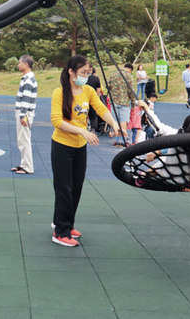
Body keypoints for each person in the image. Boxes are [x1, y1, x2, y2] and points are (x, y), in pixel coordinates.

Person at [49, 55, 121, 247]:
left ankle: (67, 223)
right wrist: (82, 130)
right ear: (71, 72)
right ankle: (60, 232)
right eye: (83, 73)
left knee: (76, 188)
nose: (86, 77)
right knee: (64, 188)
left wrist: (113, 122)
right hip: (62, 146)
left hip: (80, 147)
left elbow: (100, 108)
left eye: (88, 73)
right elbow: (57, 121)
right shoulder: (60, 93)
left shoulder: (88, 90)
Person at [12, 54, 38, 175]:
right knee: (22, 140)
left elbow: (26, 100)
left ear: (26, 64)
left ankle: (28, 167)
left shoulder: (28, 80)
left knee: (24, 140)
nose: (18, 65)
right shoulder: (28, 78)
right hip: (25, 112)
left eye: (19, 62)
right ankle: (24, 164)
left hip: (25, 113)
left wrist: (22, 115)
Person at [106, 63, 136, 146]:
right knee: (123, 121)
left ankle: (117, 140)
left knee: (115, 121)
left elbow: (107, 86)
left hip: (113, 101)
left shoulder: (113, 74)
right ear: (130, 70)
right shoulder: (129, 76)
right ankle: (123, 140)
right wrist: (133, 104)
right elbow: (131, 91)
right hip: (124, 102)